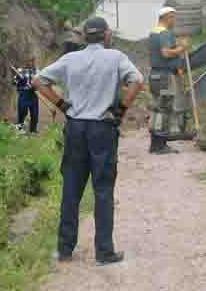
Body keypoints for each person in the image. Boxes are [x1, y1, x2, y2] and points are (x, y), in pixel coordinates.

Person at [32, 16, 143, 266]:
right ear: (106, 35)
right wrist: (120, 111)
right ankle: (104, 252)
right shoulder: (115, 58)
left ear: (84, 36)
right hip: (103, 129)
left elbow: (38, 81)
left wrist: (62, 104)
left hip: (75, 128)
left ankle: (64, 250)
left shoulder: (70, 59)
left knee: (71, 189)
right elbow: (138, 81)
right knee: (103, 190)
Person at [148, 6, 194, 154]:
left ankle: (155, 144)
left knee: (157, 109)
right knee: (165, 110)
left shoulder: (154, 32)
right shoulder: (165, 33)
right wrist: (182, 48)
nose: (175, 21)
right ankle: (160, 145)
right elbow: (166, 53)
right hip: (164, 77)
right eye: (173, 17)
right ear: (167, 17)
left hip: (155, 76)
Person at [14, 58, 39, 134]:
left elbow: (40, 82)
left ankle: (33, 130)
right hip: (23, 94)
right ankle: (20, 129)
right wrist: (20, 81)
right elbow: (14, 82)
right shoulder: (20, 71)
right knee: (22, 112)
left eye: (32, 61)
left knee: (34, 113)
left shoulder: (37, 71)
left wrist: (35, 86)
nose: (30, 62)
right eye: (29, 61)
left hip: (33, 94)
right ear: (26, 61)